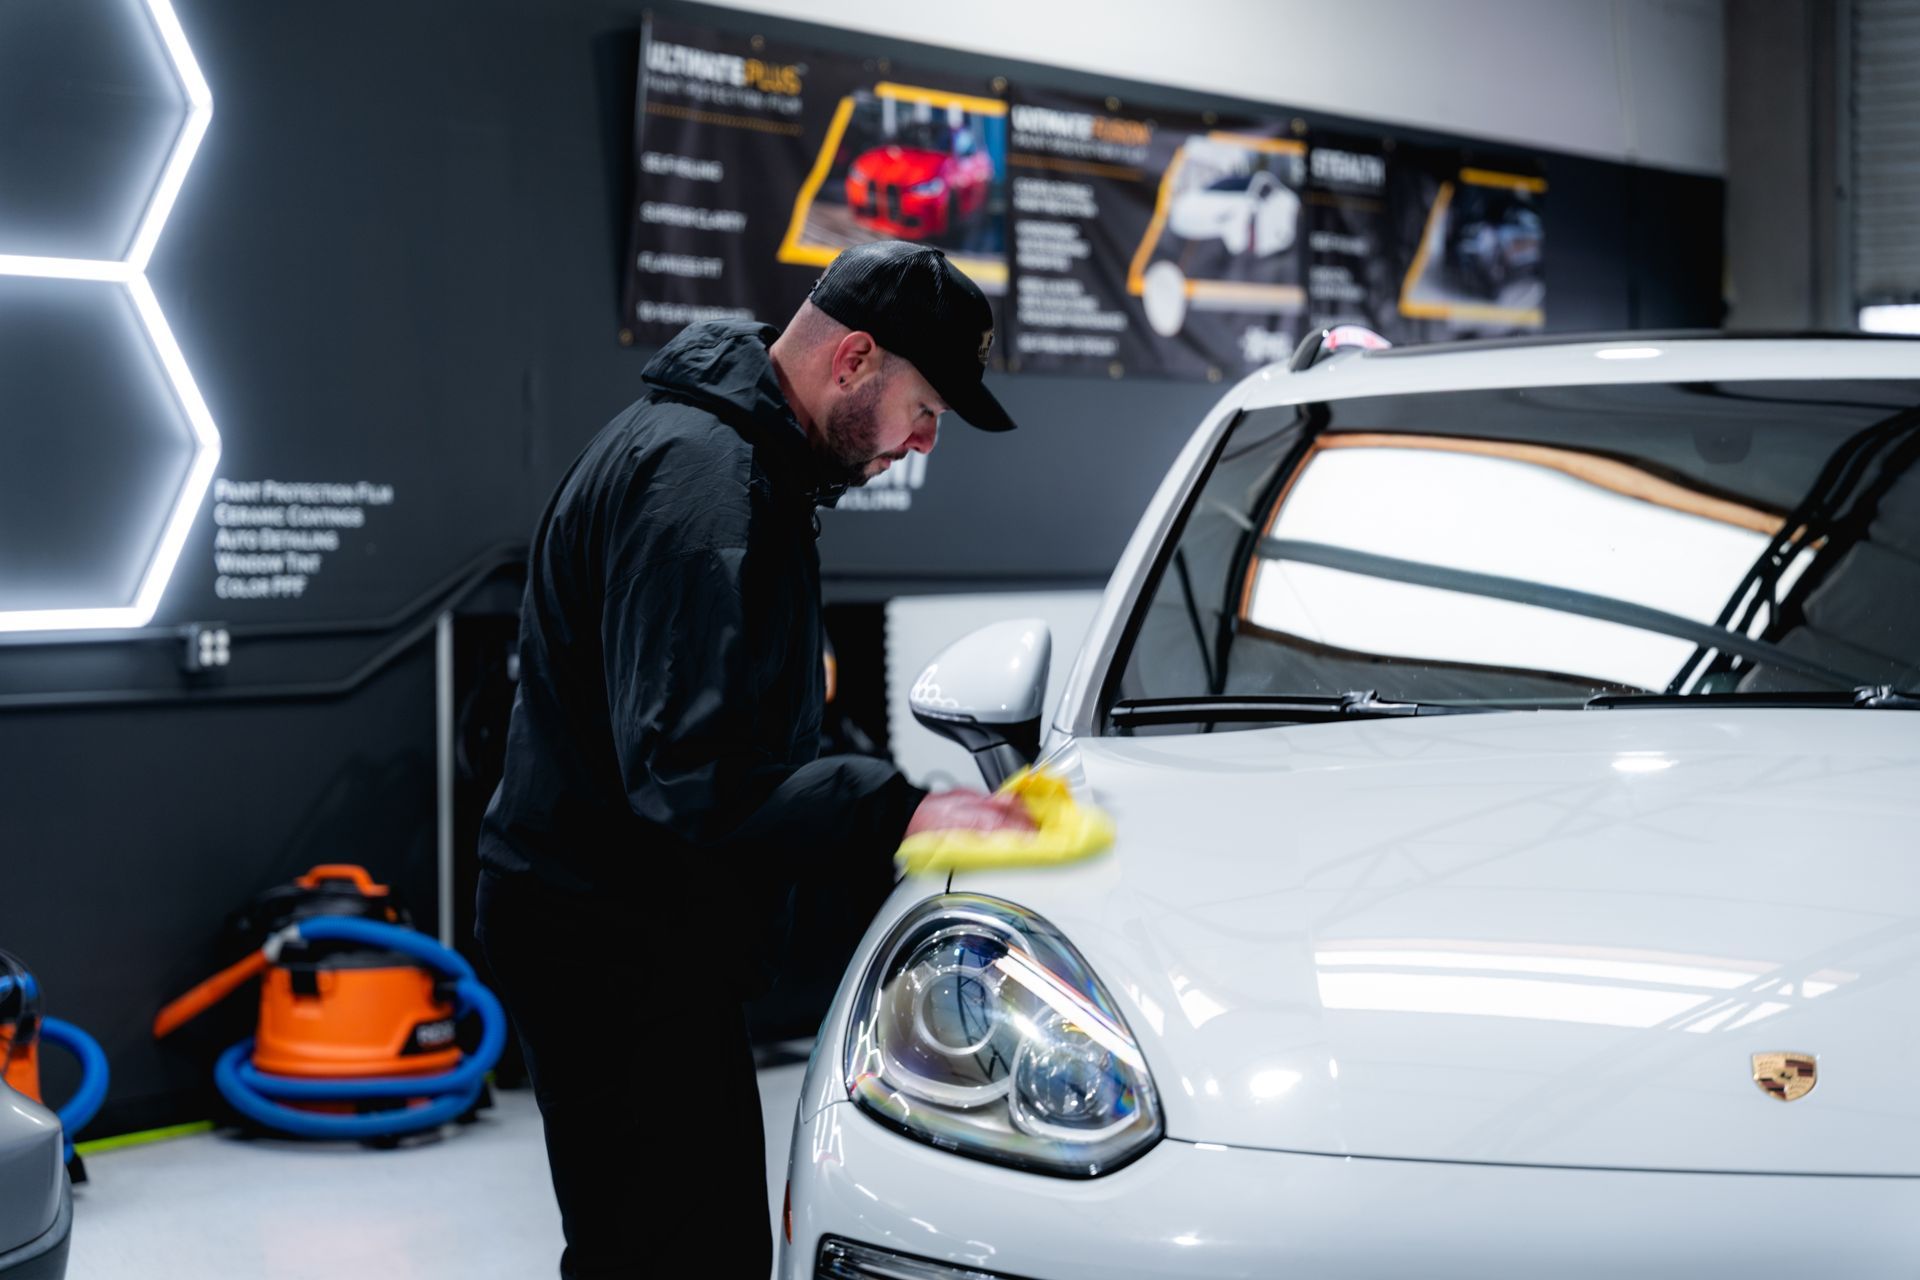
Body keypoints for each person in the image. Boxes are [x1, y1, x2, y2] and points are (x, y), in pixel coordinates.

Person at [475, 240, 1034, 1279]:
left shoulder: (744, 465)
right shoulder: (704, 480)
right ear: (856, 357)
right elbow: (690, 770)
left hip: (632, 922)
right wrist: (898, 809)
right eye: (926, 409)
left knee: (663, 1245)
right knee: (679, 1254)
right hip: (609, 935)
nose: (920, 443)